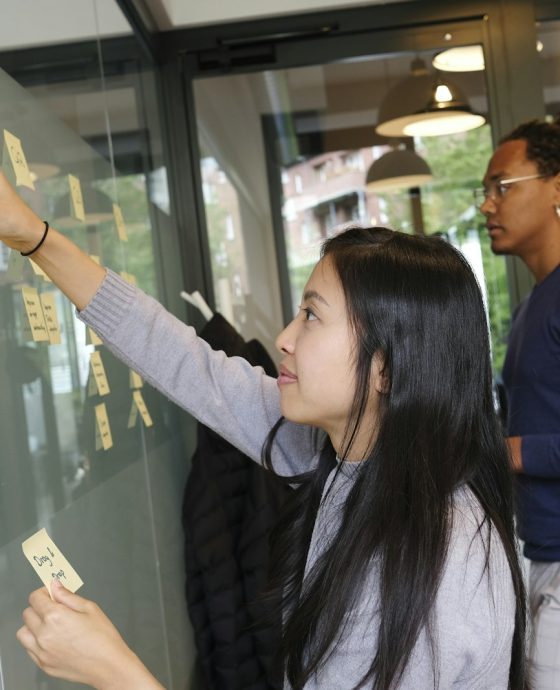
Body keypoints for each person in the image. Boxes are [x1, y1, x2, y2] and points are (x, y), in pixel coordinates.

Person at [0, 170, 529, 690]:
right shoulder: (339, 454)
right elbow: (177, 356)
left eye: (312, 316)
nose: (283, 337)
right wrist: (32, 235)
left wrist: (113, 670)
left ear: (386, 368)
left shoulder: (437, 559)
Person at [478, 115, 560, 688]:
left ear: (557, 187)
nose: (488, 205)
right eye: (485, 191)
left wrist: (507, 452)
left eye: (502, 187)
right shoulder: (534, 306)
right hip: (542, 554)